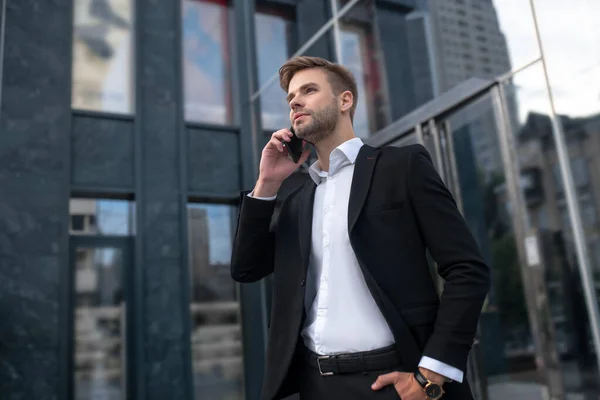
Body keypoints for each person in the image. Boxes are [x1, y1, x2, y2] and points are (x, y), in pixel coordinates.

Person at [231, 56, 491, 400]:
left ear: (345, 100)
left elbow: (467, 270)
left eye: (309, 90)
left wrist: (431, 374)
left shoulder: (402, 167)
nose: (295, 101)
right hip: (315, 384)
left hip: (397, 381)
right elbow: (246, 268)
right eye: (291, 97)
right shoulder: (297, 199)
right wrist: (266, 183)